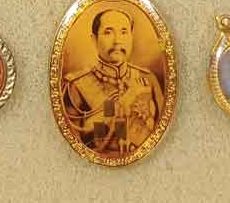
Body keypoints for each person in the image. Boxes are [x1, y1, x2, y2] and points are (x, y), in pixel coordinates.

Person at [63, 9, 164, 155]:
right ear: (94, 39)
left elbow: (160, 132)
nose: (117, 40)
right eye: (108, 32)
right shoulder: (77, 85)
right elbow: (76, 142)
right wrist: (127, 98)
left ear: (131, 37)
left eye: (124, 32)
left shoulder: (148, 79)